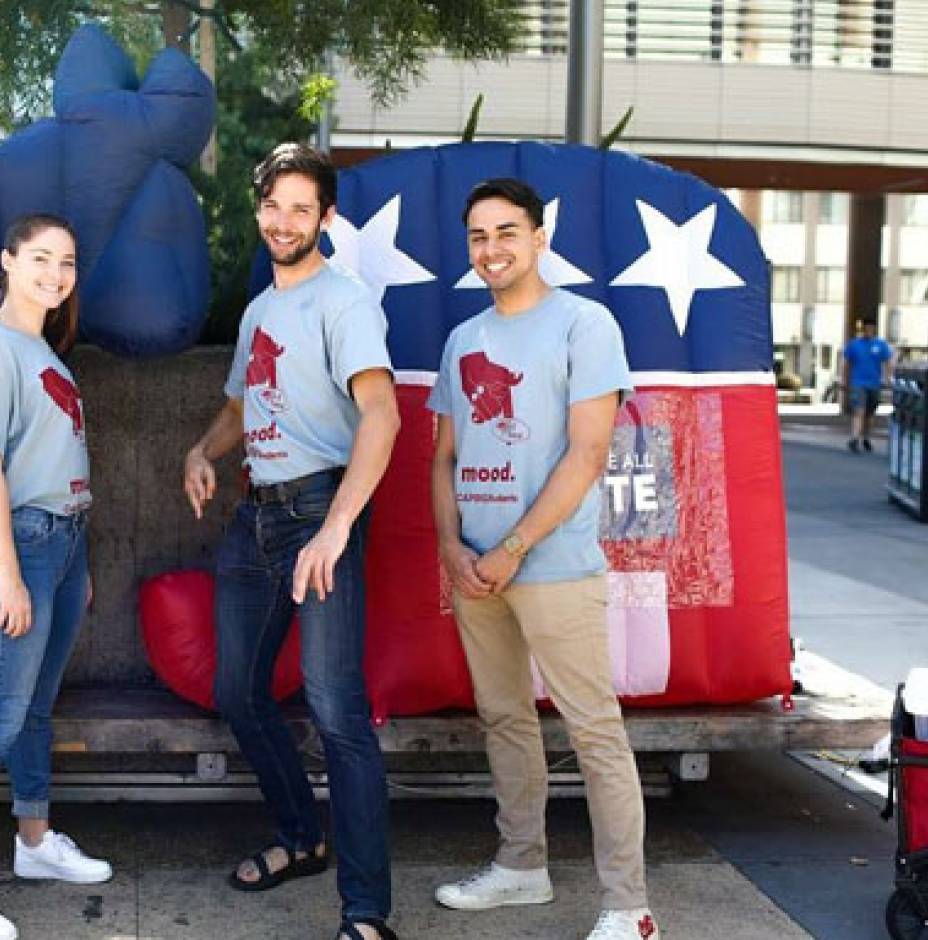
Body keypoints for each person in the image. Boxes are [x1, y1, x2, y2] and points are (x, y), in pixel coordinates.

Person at [428, 178, 661, 940]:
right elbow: (444, 458)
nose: (491, 249)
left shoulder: (583, 325)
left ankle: (630, 907)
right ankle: (521, 866)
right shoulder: (464, 340)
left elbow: (589, 452)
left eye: (506, 233)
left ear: (538, 239)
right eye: (478, 237)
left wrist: (513, 546)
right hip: (476, 572)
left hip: (552, 564)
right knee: (504, 719)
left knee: (594, 730)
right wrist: (451, 547)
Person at [182, 143, 401, 940]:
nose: (285, 221)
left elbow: (382, 415)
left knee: (336, 710)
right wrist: (202, 452)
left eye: (302, 209)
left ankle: (367, 912)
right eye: (274, 206)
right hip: (255, 515)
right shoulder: (260, 311)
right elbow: (242, 407)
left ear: (326, 218)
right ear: (260, 210)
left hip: (319, 513)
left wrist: (337, 529)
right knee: (238, 690)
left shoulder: (343, 303)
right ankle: (301, 837)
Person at [0, 214, 111, 940]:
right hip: (22, 546)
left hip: (64, 544)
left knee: (36, 708)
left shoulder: (43, 352)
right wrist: (10, 575)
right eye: (40, 258)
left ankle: (33, 843)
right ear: (8, 261)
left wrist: (77, 564)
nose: (55, 274)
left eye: (66, 262)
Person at [841, 320, 893, 453]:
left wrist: (888, 378)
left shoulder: (881, 345)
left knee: (870, 413)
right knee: (859, 410)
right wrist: (844, 380)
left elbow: (888, 362)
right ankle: (854, 438)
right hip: (858, 383)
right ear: (862, 330)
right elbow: (846, 364)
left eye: (871, 328)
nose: (869, 331)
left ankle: (866, 437)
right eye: (867, 329)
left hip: (874, 384)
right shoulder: (854, 345)